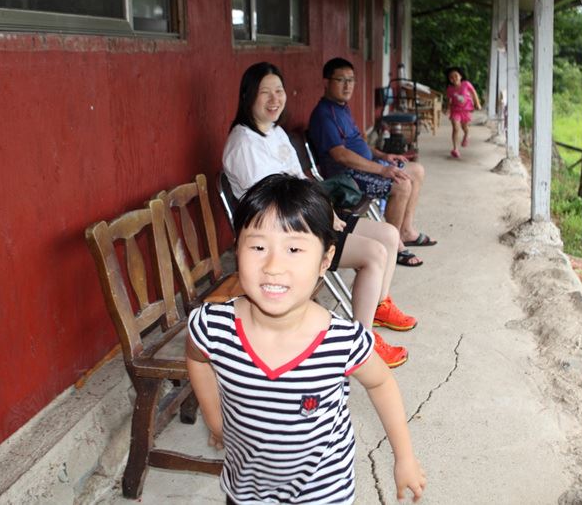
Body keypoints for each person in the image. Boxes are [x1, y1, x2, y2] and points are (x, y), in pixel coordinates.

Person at [185, 175, 427, 505]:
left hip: (323, 492)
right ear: (237, 249)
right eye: (258, 247)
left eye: (294, 249)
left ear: (325, 261)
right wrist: (215, 421)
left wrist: (404, 457)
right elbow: (197, 358)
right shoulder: (212, 326)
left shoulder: (342, 342)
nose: (273, 266)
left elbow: (381, 382)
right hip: (246, 490)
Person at [223, 62, 416, 368]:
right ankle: (362, 345)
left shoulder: (275, 132)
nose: (274, 99)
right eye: (265, 92)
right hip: (283, 237)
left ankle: (377, 306)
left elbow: (301, 178)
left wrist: (327, 208)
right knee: (374, 254)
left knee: (389, 235)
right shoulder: (244, 144)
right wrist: (323, 216)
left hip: (307, 218)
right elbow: (271, 208)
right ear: (248, 96)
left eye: (279, 91)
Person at [308, 58, 437, 267]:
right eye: (341, 80)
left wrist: (383, 156)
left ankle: (405, 231)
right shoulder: (324, 115)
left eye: (351, 80)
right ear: (326, 82)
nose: (348, 86)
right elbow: (341, 155)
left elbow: (358, 143)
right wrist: (382, 169)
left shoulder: (342, 108)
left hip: (364, 167)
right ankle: (395, 245)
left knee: (417, 170)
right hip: (346, 177)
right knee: (401, 184)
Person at [445, 66, 482, 158]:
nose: (454, 78)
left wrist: (477, 103)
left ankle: (466, 134)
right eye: (451, 77)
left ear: (460, 76)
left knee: (464, 127)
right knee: (455, 128)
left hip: (465, 110)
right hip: (455, 110)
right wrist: (448, 109)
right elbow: (449, 100)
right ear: (449, 79)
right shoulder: (450, 89)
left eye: (456, 76)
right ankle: (455, 149)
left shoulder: (466, 84)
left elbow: (473, 92)